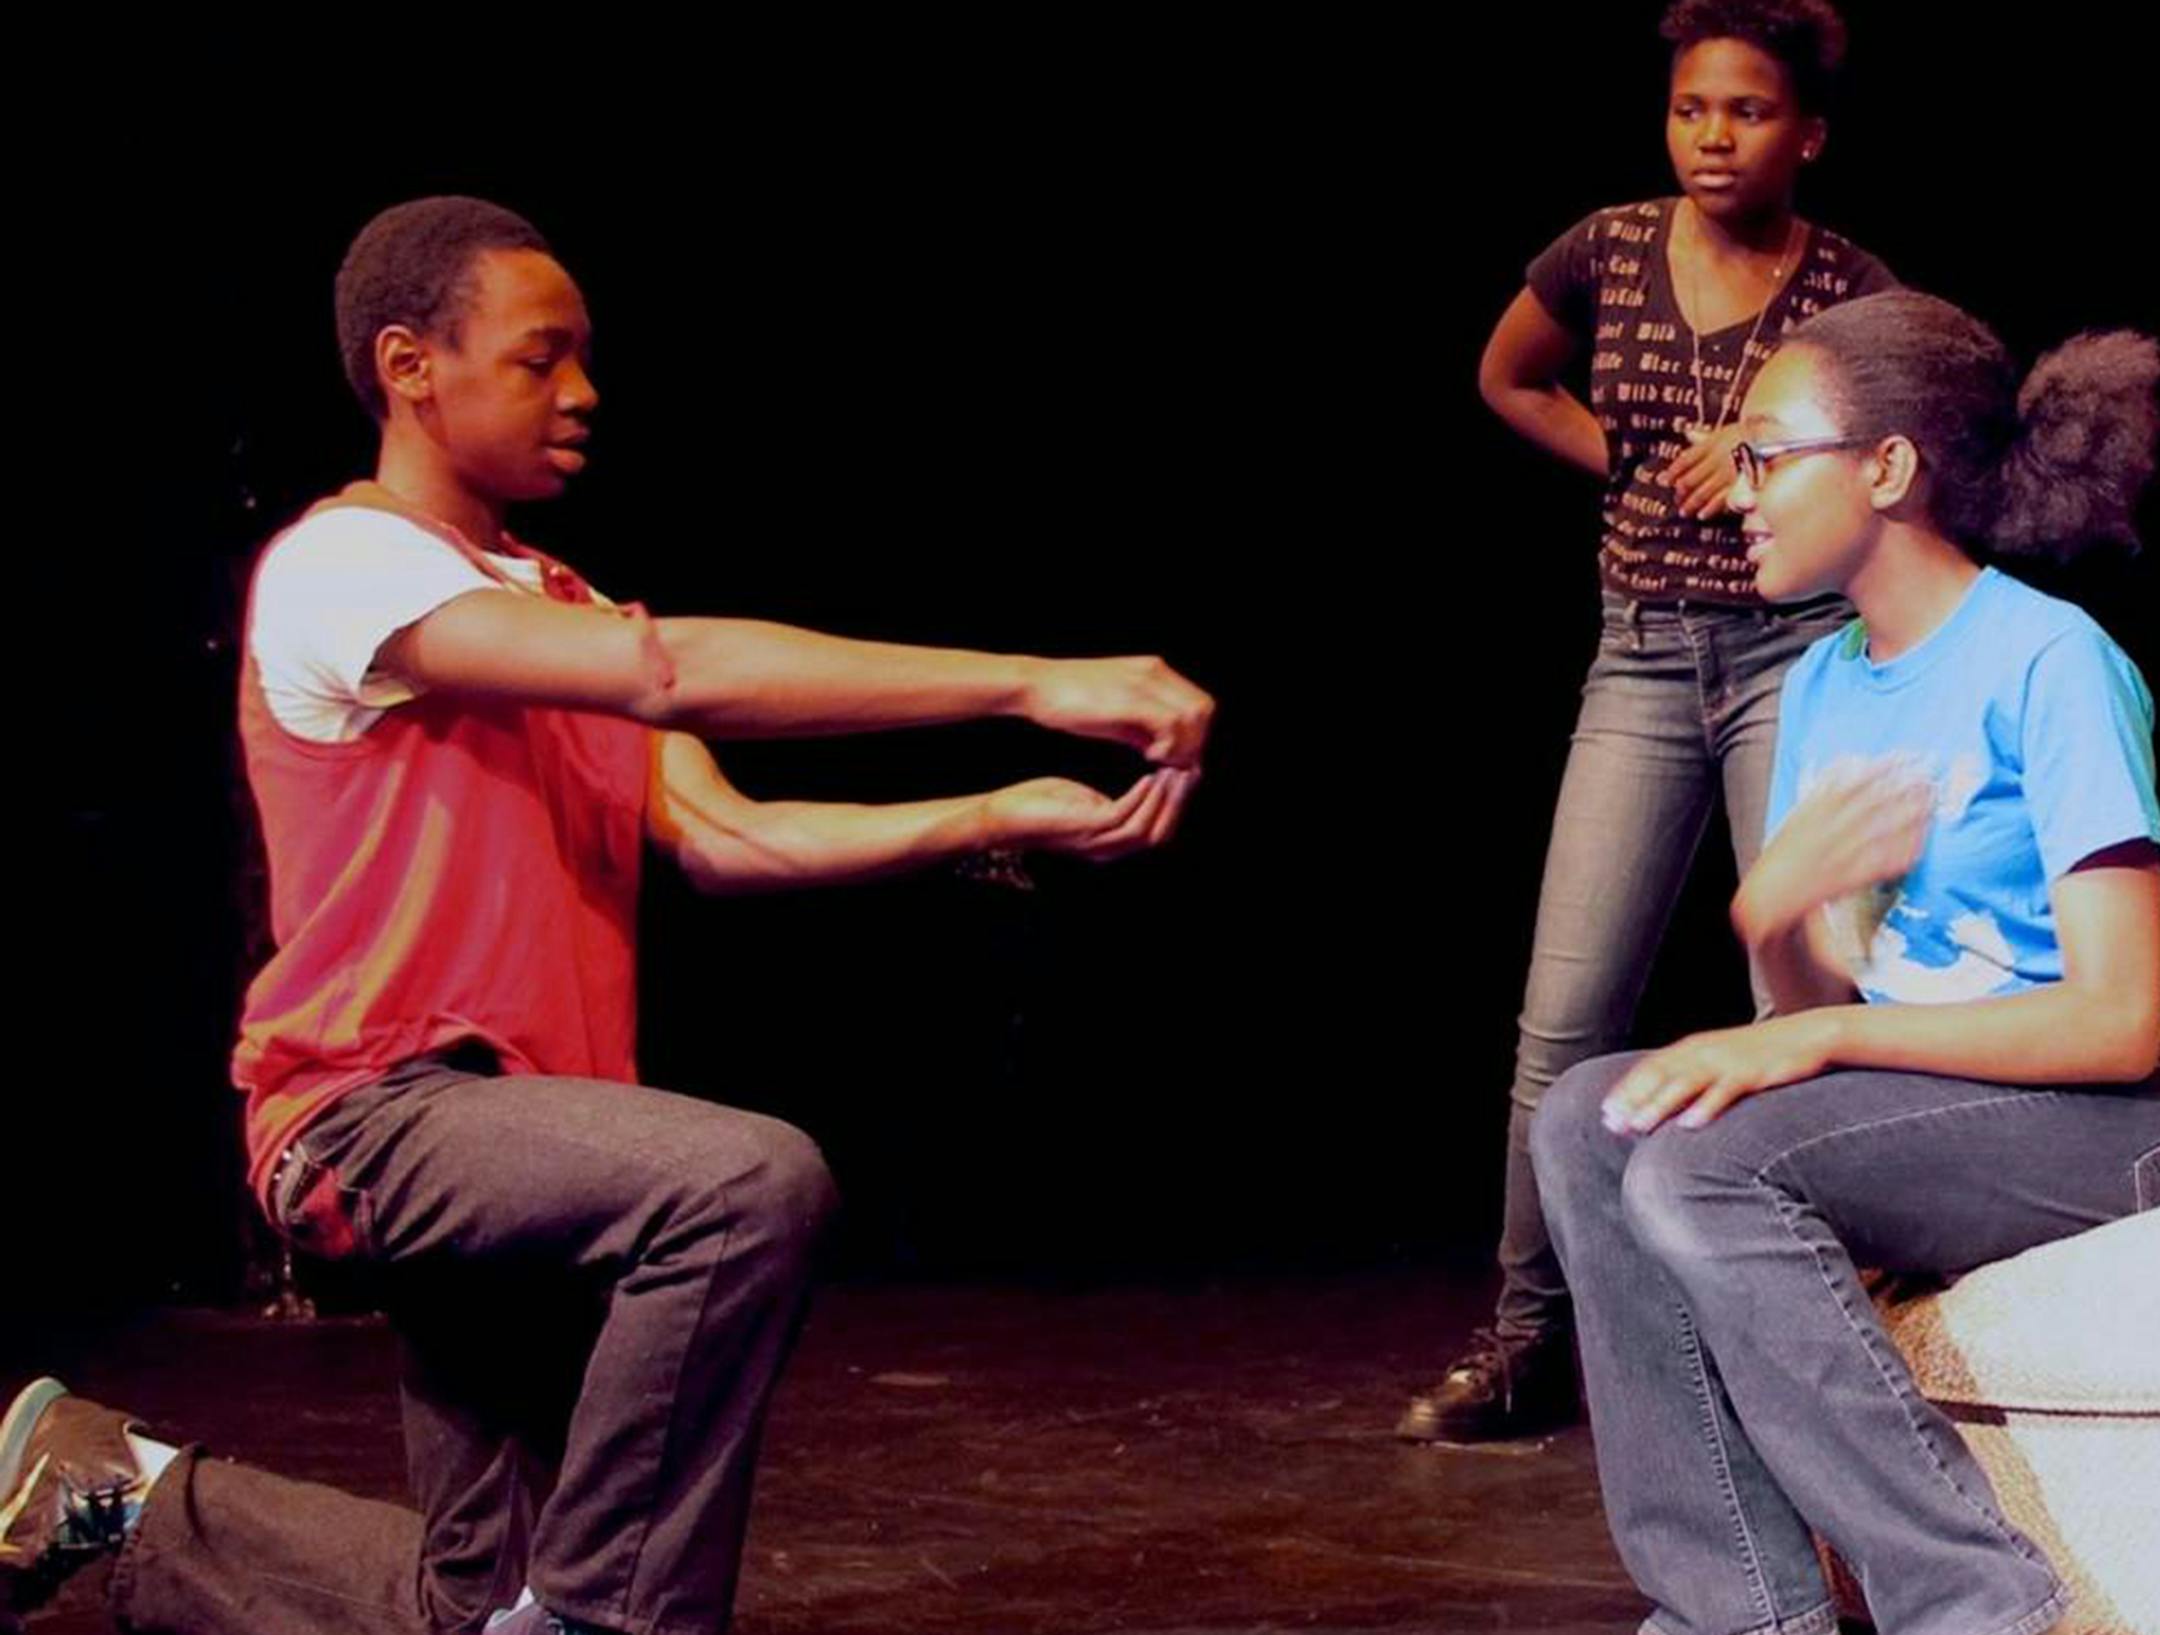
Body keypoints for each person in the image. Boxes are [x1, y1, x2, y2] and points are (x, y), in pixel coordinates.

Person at [0, 195, 1212, 1635]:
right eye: (539, 357)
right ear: (410, 366)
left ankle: (105, 1490)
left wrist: (994, 811)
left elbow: (727, 831)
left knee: (473, 1602)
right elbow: (667, 674)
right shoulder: (350, 567)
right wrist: (1027, 679)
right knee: (740, 1187)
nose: (583, 394)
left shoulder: (561, 602)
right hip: (378, 1113)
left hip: (536, 1145)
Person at [1530, 289, 2159, 1635]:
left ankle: (1971, 1598)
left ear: (1887, 467)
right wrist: (1778, 927)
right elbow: (1835, 1006)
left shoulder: (2053, 662)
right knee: (1596, 1118)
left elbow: (2125, 1023)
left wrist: (1818, 1038)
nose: (1735, 488)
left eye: (1765, 453)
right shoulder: (1825, 683)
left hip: (2099, 1123)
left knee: (1710, 1166)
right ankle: (1739, 1609)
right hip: (1935, 1098)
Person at [1400, 0, 1898, 1444]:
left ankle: (1796, 1348)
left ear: (1807, 133)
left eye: (1746, 111)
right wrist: (1614, 460)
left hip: (1799, 659)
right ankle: (1526, 1337)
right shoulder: (1605, 249)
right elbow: (1507, 374)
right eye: (1691, 109)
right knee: (1565, 1018)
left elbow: (1906, 446)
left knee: (1798, 1005)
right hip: (1641, 660)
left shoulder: (1849, 291)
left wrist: (1773, 446)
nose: (1714, 136)